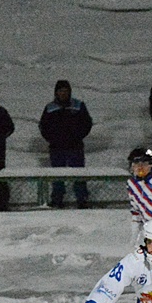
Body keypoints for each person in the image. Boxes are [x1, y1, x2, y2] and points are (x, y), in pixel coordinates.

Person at [39, 79, 93, 209]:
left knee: (78, 175)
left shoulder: (78, 105)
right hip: (57, 147)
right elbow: (43, 126)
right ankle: (57, 199)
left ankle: (82, 199)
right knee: (58, 175)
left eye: (65, 91)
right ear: (56, 92)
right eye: (60, 91)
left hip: (75, 146)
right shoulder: (50, 107)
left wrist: (78, 136)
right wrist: (52, 139)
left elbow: (87, 123)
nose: (63, 93)